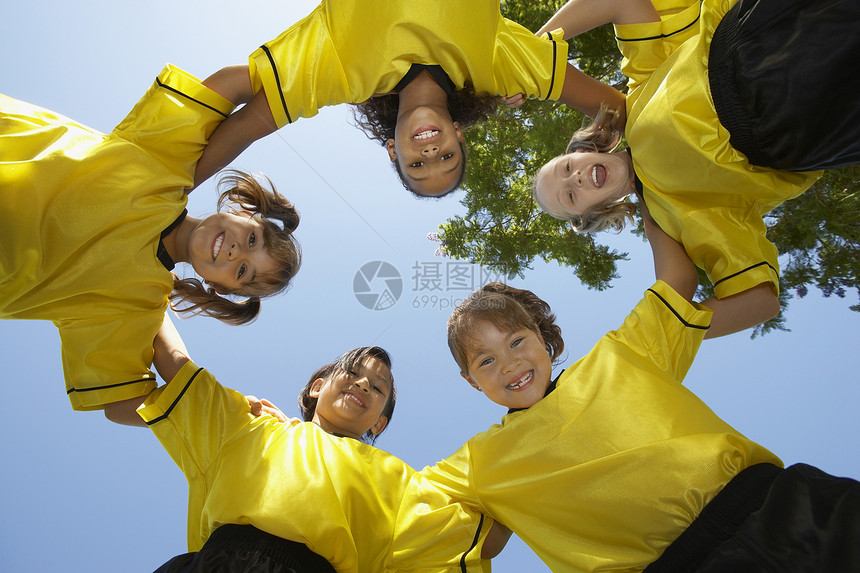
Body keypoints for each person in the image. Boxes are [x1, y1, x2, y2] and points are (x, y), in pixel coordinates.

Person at [420, 205, 860, 571]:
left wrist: (647, 191)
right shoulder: (480, 463)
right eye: (486, 360)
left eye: (516, 341)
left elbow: (677, 282)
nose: (510, 362)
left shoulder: (621, 353)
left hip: (776, 506)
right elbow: (399, 503)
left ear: (540, 335)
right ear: (471, 382)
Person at [530, 0, 860, 337]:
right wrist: (669, 336)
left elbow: (623, 3)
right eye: (571, 195)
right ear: (595, 210)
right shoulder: (673, 217)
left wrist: (533, 47)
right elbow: (760, 301)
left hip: (761, 35)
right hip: (801, 122)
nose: (577, 177)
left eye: (567, 166)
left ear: (584, 151)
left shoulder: (639, 93)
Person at [0, 65, 301, 420]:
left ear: (218, 287)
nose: (237, 252)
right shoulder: (166, 165)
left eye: (243, 271)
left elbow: (122, 403)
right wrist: (305, 73)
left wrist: (224, 414)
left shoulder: (140, 304)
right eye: (253, 239)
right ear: (243, 213)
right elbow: (231, 86)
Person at [110, 315, 507, 572]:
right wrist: (151, 279)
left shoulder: (400, 481)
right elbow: (174, 365)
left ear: (380, 422)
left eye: (378, 388)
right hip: (212, 561)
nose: (363, 384)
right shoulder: (251, 428)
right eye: (352, 373)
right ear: (318, 387)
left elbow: (483, 539)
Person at [190, 0, 627, 198]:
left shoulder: (340, 70)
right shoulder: (498, 67)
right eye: (447, 158)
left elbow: (245, 119)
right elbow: (616, 109)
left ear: (393, 149)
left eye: (417, 164)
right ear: (458, 134)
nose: (431, 152)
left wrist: (173, 191)